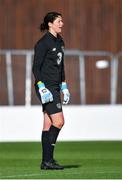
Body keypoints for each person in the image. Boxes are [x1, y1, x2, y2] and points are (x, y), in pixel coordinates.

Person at [32, 12, 70, 170]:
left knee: (47, 124)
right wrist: (41, 86)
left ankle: (47, 161)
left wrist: (64, 86)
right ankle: (48, 160)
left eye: (62, 21)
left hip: (55, 86)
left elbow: (60, 66)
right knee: (59, 122)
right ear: (50, 24)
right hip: (46, 87)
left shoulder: (60, 41)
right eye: (59, 21)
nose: (62, 23)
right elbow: (36, 67)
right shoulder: (43, 43)